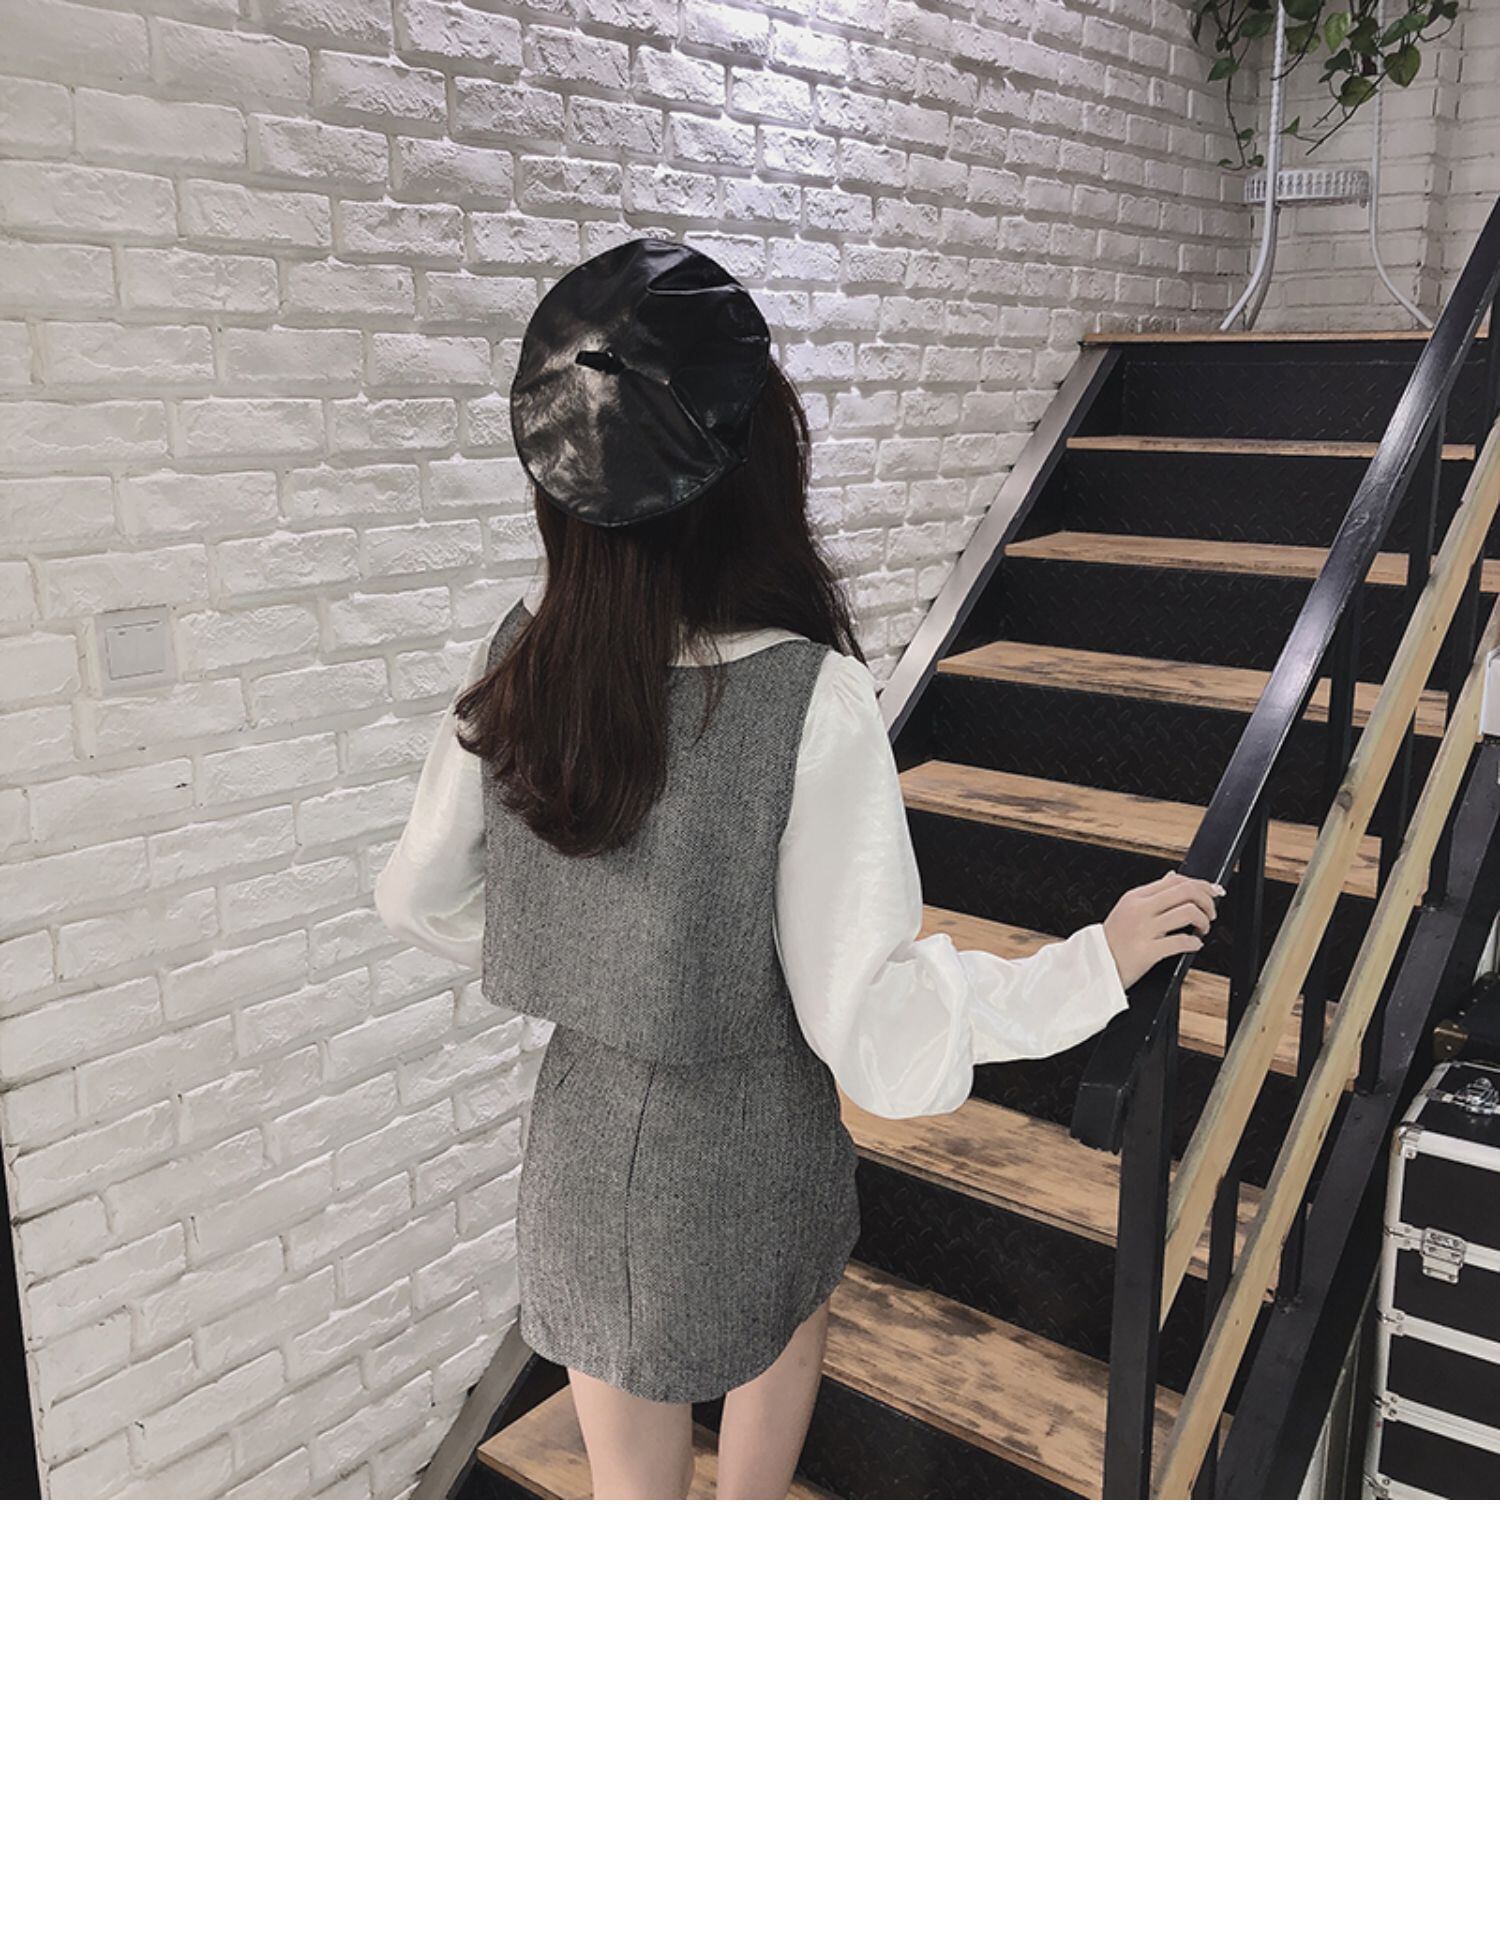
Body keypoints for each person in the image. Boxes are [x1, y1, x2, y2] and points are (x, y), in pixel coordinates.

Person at [374, 237, 1221, 1501]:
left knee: (628, 1492)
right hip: (750, 1145)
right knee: (780, 1342)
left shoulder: (522, 658)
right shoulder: (806, 699)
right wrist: (1088, 968)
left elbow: (418, 897)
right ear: (758, 467)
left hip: (580, 1139)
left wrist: (596, 958)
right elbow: (865, 1022)